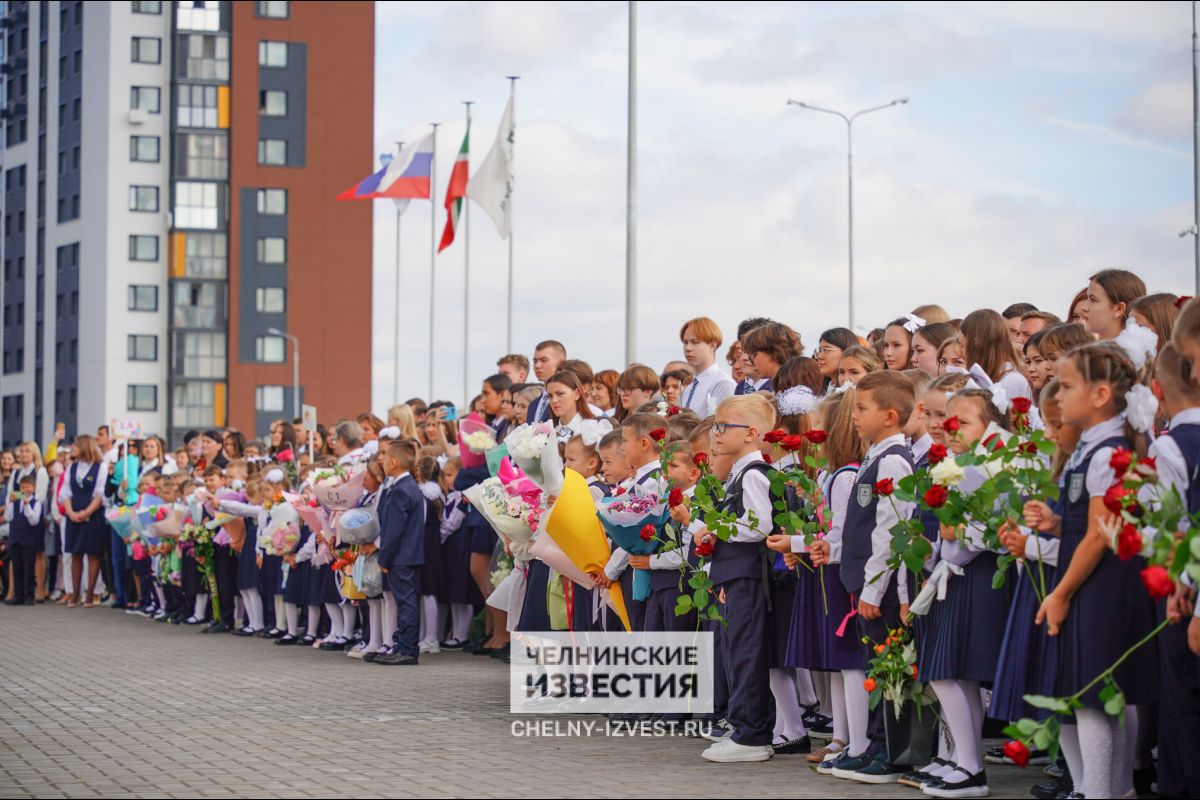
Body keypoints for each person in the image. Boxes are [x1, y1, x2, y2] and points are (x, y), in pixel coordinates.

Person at [1024, 342, 1159, 800]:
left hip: (1103, 586)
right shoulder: (1090, 448)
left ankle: (1104, 791)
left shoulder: (1108, 451)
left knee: (1095, 701)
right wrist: (1059, 520)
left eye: (1065, 386)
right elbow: (1089, 521)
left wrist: (1059, 593)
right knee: (1096, 700)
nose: (1056, 397)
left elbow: (1101, 535)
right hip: (1093, 583)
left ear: (1100, 395)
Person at [828, 370, 914, 784]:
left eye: (863, 408)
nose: (855, 416)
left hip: (877, 588)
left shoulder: (893, 460)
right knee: (876, 668)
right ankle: (876, 745)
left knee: (889, 670)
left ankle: (893, 752)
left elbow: (891, 532)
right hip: (862, 583)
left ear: (891, 415)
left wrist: (877, 589)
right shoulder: (875, 456)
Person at [696, 394, 777, 763]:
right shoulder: (739, 474)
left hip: (746, 577)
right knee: (736, 652)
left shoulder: (753, 475)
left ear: (751, 433)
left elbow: (759, 526)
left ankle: (752, 734)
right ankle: (744, 727)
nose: (715, 432)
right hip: (733, 575)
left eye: (723, 426)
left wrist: (716, 525)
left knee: (746, 653)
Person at [375, 438, 425, 666]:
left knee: (405, 603)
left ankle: (406, 648)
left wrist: (384, 557)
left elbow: (393, 530)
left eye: (384, 457)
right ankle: (403, 645)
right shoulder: (409, 487)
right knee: (407, 601)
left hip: (401, 557)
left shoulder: (401, 490)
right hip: (409, 555)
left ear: (393, 462)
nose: (382, 461)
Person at [60, 435, 108, 608]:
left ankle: (90, 594)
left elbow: (100, 493)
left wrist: (87, 512)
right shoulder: (72, 467)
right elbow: (65, 492)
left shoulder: (100, 467)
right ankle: (74, 594)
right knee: (75, 553)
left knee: (93, 553)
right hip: (74, 513)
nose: (73, 448)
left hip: (93, 514)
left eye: (76, 445)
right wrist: (71, 512)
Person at [960, 308, 1032, 401]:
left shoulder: (1011, 381)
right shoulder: (988, 376)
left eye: (962, 346)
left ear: (975, 343)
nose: (961, 352)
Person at [679, 316, 737, 415]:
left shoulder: (723, 383)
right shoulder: (689, 388)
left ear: (712, 345)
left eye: (695, 342)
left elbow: (722, 425)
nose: (688, 348)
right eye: (685, 342)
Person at [4, 473, 43, 605]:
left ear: (33, 488)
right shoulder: (15, 503)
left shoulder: (36, 503)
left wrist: (26, 505)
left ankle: (29, 595)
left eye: (28, 487)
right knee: (17, 568)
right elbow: (8, 517)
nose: (25, 490)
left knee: (28, 568)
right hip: (15, 538)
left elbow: (34, 521)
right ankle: (18, 595)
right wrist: (9, 502)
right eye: (22, 487)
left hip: (28, 540)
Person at [1080, 268, 1146, 340]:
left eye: (1093, 299)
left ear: (1119, 309)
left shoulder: (1134, 350)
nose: (1084, 307)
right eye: (1087, 298)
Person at [741, 322, 802, 391]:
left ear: (775, 353)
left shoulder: (793, 395)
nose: (751, 362)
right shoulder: (784, 389)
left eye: (755, 355)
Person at [527, 340, 567, 423]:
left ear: (561, 362)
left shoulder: (568, 401)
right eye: (535, 361)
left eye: (544, 360)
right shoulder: (533, 405)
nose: (537, 365)